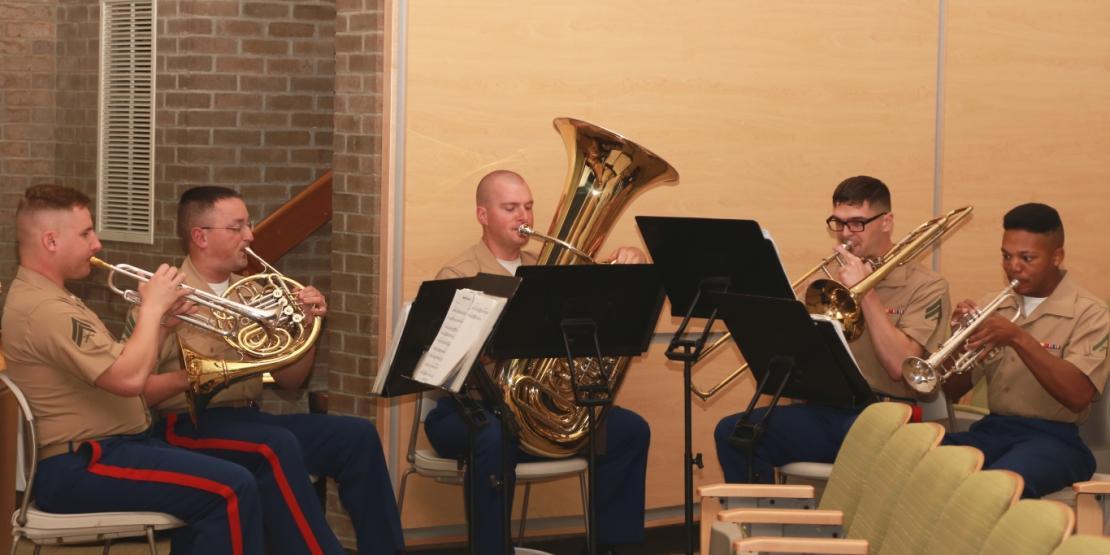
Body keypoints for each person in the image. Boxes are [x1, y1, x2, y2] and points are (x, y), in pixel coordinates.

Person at [139, 186, 404, 555]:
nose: (250, 235)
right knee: (275, 446)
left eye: (248, 225)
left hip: (248, 418)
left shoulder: (253, 292)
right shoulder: (163, 295)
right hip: (185, 425)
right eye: (237, 228)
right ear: (200, 236)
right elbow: (138, 391)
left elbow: (291, 381)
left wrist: (307, 328)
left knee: (356, 436)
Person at [2, 184, 264, 554]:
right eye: (85, 233)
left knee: (221, 483)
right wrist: (152, 309)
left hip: (107, 450)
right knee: (231, 489)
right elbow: (128, 380)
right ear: (50, 241)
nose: (97, 244)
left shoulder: (55, 299)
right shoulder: (45, 309)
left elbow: (123, 364)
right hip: (81, 463)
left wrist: (160, 324)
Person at [427, 170, 651, 553]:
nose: (524, 217)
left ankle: (615, 547)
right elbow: (449, 370)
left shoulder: (548, 268)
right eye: (510, 208)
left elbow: (603, 305)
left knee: (630, 431)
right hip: (470, 411)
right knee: (495, 437)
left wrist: (634, 260)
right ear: (483, 215)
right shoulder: (459, 273)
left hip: (535, 414)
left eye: (528, 207)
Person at [714, 176, 951, 483]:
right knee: (735, 433)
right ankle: (762, 523)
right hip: (828, 410)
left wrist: (866, 293)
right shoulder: (830, 280)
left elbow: (899, 366)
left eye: (856, 223)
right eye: (838, 224)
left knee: (863, 441)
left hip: (889, 414)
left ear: (887, 222)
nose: (845, 235)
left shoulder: (927, 285)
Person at [942, 203, 1110, 498]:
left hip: (1056, 439)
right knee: (917, 465)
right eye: (1006, 256)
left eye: (1027, 258)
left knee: (996, 489)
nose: (1013, 267)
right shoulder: (995, 305)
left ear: (1056, 257)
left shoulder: (1091, 313)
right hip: (994, 430)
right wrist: (958, 341)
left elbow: (1078, 396)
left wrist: (1018, 338)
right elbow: (951, 390)